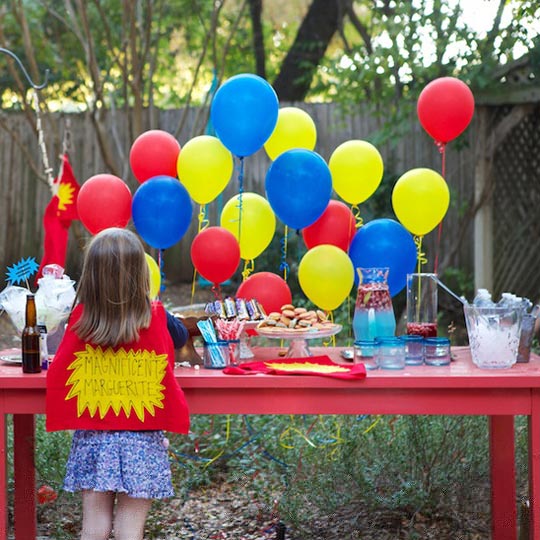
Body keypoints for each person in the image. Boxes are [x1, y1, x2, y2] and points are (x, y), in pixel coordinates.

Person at [46, 228, 191, 540]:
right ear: (140, 274)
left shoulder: (81, 319)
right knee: (130, 531)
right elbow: (180, 337)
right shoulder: (155, 315)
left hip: (93, 439)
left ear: (91, 276)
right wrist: (151, 301)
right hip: (142, 438)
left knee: (94, 527)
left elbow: (61, 369)